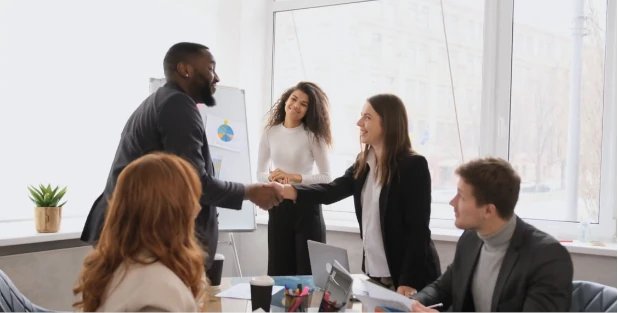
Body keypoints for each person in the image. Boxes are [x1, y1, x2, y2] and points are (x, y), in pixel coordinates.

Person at [80, 42, 281, 278]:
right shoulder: (177, 105)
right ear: (185, 70)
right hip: (141, 236)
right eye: (210, 69)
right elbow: (193, 184)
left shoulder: (162, 100)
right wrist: (250, 192)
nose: (216, 78)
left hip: (129, 230)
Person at [269, 94, 441, 295]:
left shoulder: (413, 166)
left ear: (387, 123)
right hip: (376, 276)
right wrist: (287, 190)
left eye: (367, 117)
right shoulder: (364, 161)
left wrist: (409, 281)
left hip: (409, 280)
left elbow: (418, 230)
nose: (359, 123)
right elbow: (331, 191)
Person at [410, 157, 574, 312]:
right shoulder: (471, 239)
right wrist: (407, 306)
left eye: (462, 197)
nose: (452, 202)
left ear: (488, 210)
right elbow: (441, 288)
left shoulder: (548, 257)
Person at [74, 153, 208, 312]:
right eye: (190, 200)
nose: (197, 209)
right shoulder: (158, 290)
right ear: (172, 213)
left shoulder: (113, 269)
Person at [257, 81, 332, 276]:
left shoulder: (313, 136)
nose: (296, 105)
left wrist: (293, 177)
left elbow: (326, 177)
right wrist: (271, 177)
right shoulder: (270, 133)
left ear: (309, 110)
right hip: (279, 206)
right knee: (279, 271)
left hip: (307, 208)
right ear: (286, 100)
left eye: (304, 104)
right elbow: (260, 173)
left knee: (307, 274)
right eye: (294, 99)